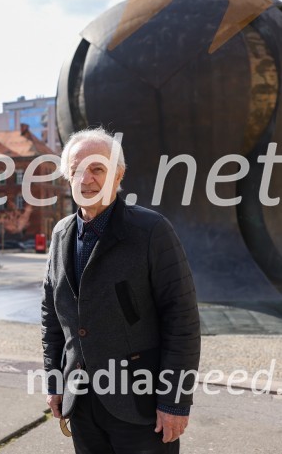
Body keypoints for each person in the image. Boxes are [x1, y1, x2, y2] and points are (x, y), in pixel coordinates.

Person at [41, 128, 200, 453]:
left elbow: (181, 321)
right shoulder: (60, 235)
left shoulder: (151, 231)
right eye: (76, 170)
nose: (86, 179)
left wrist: (175, 401)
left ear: (118, 175)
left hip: (141, 408)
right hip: (81, 404)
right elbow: (52, 317)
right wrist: (55, 381)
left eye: (97, 169)